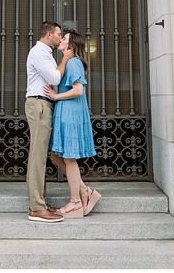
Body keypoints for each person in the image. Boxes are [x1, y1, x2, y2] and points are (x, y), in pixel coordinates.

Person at [44, 31, 102, 218]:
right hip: (65, 112)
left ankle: (75, 202)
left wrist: (55, 96)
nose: (60, 40)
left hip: (71, 113)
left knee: (68, 158)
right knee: (55, 156)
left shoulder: (74, 62)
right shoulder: (67, 63)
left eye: (64, 38)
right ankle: (84, 190)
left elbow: (78, 90)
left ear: (70, 45)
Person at [25, 21, 72, 223]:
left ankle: (40, 203)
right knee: (37, 156)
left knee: (42, 155)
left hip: (44, 105)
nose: (61, 38)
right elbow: (54, 78)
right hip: (39, 105)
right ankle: (36, 208)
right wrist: (66, 59)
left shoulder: (45, 54)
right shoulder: (39, 53)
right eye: (58, 34)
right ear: (49, 35)